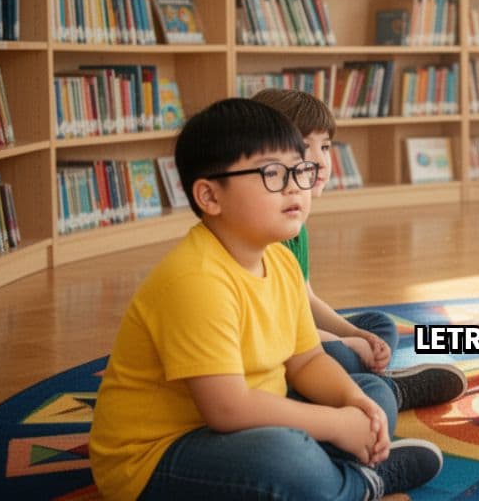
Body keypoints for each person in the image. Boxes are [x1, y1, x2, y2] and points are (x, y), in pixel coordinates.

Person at [89, 99, 443, 500]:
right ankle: (361, 484)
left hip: (250, 421)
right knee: (284, 458)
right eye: (272, 173)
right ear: (209, 196)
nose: (295, 185)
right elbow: (228, 410)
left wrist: (353, 402)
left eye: (300, 169)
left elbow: (306, 361)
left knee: (371, 393)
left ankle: (335, 477)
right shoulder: (195, 280)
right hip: (157, 456)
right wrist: (334, 424)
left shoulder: (280, 259)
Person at [252, 88, 467, 410]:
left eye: (324, 146)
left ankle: (365, 378)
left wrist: (356, 334)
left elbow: (305, 300)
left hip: (298, 336)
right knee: (339, 353)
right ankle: (387, 390)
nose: (320, 160)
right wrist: (342, 341)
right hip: (276, 352)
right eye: (302, 147)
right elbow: (280, 329)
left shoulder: (296, 225)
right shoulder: (263, 233)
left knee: (378, 327)